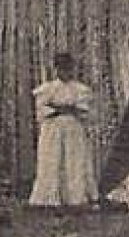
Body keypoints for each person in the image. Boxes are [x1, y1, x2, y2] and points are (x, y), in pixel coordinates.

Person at [28, 53, 99, 209]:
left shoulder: (80, 89)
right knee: (52, 159)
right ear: (56, 69)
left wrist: (67, 108)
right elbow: (42, 109)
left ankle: (75, 196)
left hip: (73, 128)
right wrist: (60, 109)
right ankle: (50, 196)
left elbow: (83, 110)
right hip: (53, 128)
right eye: (61, 69)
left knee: (74, 160)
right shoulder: (48, 88)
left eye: (68, 69)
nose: (65, 72)